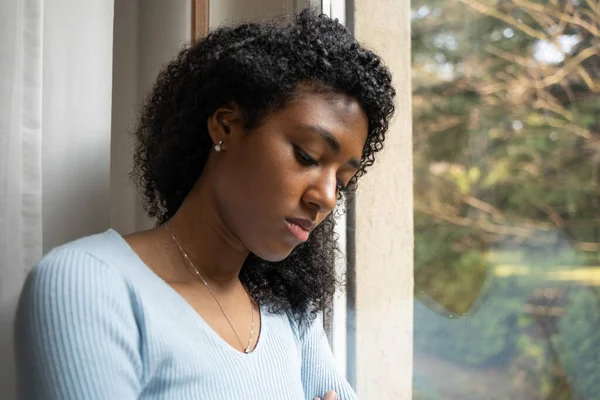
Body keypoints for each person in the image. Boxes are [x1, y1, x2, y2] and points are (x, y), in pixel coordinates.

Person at [14, 9, 395, 400]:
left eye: (343, 182)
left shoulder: (290, 311)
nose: (327, 197)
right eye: (307, 155)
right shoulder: (89, 286)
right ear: (226, 125)